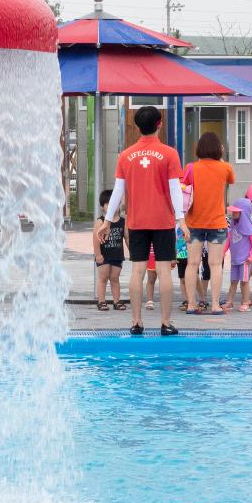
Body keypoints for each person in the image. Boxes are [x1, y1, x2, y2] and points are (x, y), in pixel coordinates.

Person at [97, 105, 189, 336]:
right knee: (164, 271)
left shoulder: (126, 155)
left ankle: (136, 322)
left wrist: (107, 221)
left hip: (136, 222)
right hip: (163, 221)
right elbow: (174, 189)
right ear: (159, 124)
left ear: (138, 126)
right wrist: (181, 219)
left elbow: (118, 190)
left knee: (137, 271)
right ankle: (166, 323)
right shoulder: (169, 153)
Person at [182, 132, 234, 314]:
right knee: (215, 264)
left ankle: (191, 304)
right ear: (218, 148)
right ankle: (214, 305)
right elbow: (231, 180)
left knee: (192, 264)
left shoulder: (190, 168)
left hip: (193, 222)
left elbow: (183, 186)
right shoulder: (225, 168)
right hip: (217, 223)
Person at [93, 189, 127, 311]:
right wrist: (98, 255)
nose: (112, 206)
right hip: (104, 255)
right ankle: (101, 301)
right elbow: (95, 239)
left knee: (115, 278)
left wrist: (133, 252)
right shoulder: (101, 221)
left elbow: (127, 238)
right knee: (103, 278)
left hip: (117, 255)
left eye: (115, 203)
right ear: (102, 207)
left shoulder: (123, 222)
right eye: (108, 204)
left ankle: (116, 301)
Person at [222, 199, 252, 313]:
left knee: (244, 282)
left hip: (245, 261)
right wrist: (223, 252)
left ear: (244, 213)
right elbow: (228, 240)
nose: (233, 214)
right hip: (234, 260)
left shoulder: (249, 228)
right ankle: (230, 302)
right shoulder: (233, 226)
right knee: (233, 282)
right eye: (233, 211)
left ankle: (245, 302)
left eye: (236, 212)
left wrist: (251, 256)